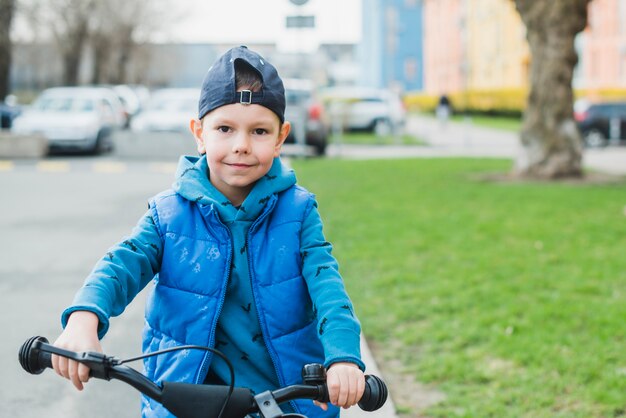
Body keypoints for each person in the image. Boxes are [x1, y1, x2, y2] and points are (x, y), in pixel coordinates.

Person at [51, 46, 365, 418]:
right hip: (187, 398)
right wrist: (84, 317)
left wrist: (343, 357)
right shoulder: (167, 214)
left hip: (285, 398)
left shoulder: (297, 211)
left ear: (280, 138)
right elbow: (122, 263)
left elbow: (326, 283)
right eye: (225, 129)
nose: (241, 145)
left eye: (259, 131)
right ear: (199, 133)